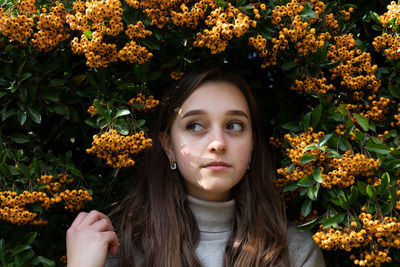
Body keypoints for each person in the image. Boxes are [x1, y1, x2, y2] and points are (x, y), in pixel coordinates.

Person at [66, 68, 325, 267]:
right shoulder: (118, 250)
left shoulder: (295, 253)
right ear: (168, 146)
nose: (218, 143)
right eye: (195, 125)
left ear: (252, 144)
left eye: (234, 125)